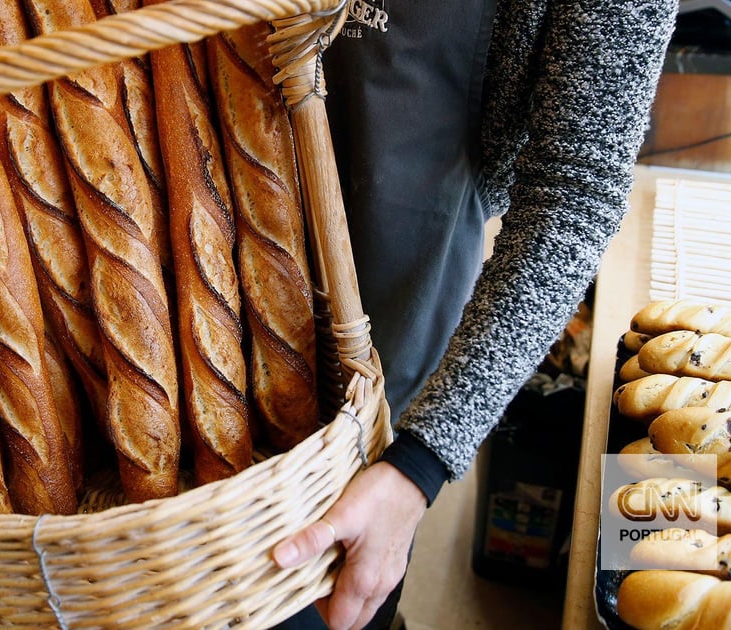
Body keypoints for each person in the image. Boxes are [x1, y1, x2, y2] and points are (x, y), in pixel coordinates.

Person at [269, 0, 680, 628]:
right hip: (200, 231)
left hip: (397, 282)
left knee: (307, 592)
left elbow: (572, 198)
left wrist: (417, 467)